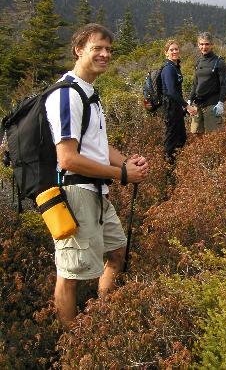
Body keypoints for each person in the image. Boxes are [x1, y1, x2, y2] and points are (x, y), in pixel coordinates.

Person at [45, 23, 148, 327]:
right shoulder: (67, 95)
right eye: (97, 49)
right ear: (78, 50)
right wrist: (122, 173)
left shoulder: (89, 92)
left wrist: (127, 162)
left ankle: (102, 321)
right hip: (75, 194)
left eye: (108, 50)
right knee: (70, 274)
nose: (105, 55)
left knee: (116, 252)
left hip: (96, 192)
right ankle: (71, 346)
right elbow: (67, 159)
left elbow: (97, 147)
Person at [161, 39, 196, 163]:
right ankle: (167, 169)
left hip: (176, 108)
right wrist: (187, 106)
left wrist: (183, 106)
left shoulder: (175, 67)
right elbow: (171, 91)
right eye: (171, 50)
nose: (174, 51)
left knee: (181, 138)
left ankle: (176, 166)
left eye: (176, 49)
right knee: (171, 140)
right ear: (166, 53)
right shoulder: (168, 69)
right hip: (170, 109)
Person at [189, 31, 226, 134]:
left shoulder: (219, 62)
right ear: (198, 45)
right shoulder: (199, 62)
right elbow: (195, 84)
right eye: (201, 44)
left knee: (213, 137)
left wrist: (221, 102)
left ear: (212, 45)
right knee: (196, 134)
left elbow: (224, 85)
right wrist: (190, 100)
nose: (204, 47)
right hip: (198, 105)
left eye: (207, 44)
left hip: (212, 105)